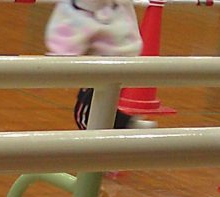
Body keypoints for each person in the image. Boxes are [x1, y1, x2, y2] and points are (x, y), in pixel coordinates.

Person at [43, 0, 154, 130]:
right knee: (99, 103)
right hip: (120, 53)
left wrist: (60, 56)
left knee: (86, 114)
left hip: (108, 59)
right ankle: (127, 124)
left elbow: (73, 26)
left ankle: (126, 126)